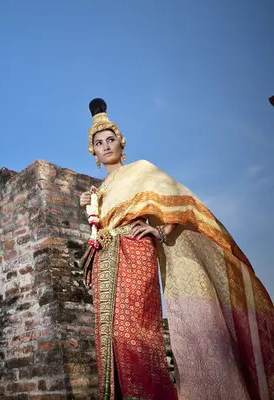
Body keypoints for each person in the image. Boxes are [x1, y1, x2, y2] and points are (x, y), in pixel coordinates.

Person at [78, 98, 273, 400]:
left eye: (110, 139)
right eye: (99, 142)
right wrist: (90, 208)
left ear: (121, 143)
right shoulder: (98, 191)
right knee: (111, 339)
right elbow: (100, 226)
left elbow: (179, 202)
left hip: (135, 252)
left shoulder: (140, 170)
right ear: (93, 152)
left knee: (136, 335)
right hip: (106, 258)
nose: (106, 146)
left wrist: (157, 230)